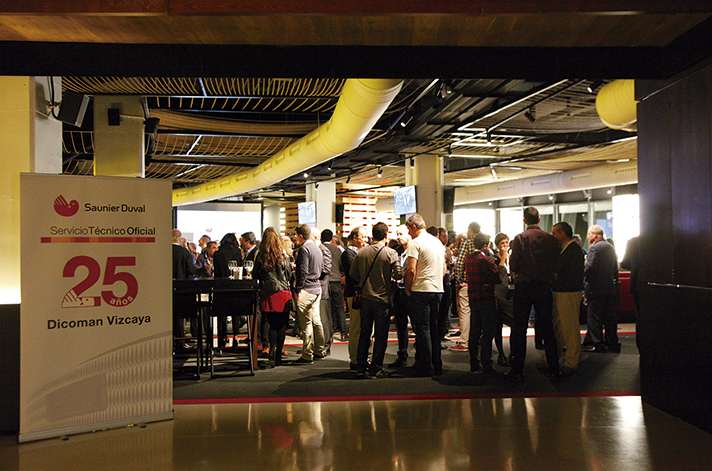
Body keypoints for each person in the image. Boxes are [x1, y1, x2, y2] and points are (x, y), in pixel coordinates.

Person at [508, 206, 560, 381]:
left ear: (524, 221)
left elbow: (513, 265)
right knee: (547, 327)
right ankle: (554, 366)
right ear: (539, 220)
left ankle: (517, 369)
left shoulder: (520, 238)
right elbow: (555, 262)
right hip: (544, 286)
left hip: (524, 286)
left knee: (519, 328)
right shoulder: (550, 239)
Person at [350, 222, 403, 378]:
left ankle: (361, 367)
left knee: (364, 333)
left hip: (365, 298)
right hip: (382, 299)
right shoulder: (390, 253)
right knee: (380, 336)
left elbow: (353, 273)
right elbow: (399, 274)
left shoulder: (361, 253)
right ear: (386, 235)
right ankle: (376, 368)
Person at [404, 214, 445, 377]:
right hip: (437, 289)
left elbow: (411, 269)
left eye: (408, 229)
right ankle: (437, 364)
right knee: (434, 329)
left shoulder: (415, 243)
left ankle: (426, 366)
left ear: (414, 227)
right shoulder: (437, 242)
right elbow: (443, 269)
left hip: (421, 289)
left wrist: (408, 288)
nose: (408, 233)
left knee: (422, 329)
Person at [253, 227, 294, 367]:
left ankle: (271, 350)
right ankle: (278, 356)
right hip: (282, 293)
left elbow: (255, 275)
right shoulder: (283, 255)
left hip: (267, 293)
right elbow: (289, 275)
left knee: (271, 324)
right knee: (281, 326)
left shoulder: (260, 255)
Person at [464, 232, 502, 375]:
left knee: (474, 333)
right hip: (486, 299)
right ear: (485, 246)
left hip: (473, 299)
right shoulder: (485, 260)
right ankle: (487, 363)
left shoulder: (468, 259)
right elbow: (498, 277)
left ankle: (474, 363)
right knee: (487, 333)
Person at [551, 222, 585, 375]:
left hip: (569, 292)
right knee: (558, 327)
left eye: (554, 233)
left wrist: (556, 276)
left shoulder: (574, 250)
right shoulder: (567, 249)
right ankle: (554, 357)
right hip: (562, 291)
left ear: (562, 233)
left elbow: (571, 274)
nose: (553, 236)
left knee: (570, 328)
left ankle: (571, 361)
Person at [582, 225, 620, 353]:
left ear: (595, 234)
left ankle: (598, 344)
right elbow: (615, 268)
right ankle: (613, 342)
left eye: (589, 234)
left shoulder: (594, 248)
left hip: (595, 288)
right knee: (610, 317)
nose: (587, 237)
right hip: (608, 287)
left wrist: (583, 269)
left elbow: (590, 268)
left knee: (594, 317)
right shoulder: (610, 247)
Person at [293, 224, 327, 364]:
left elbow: (303, 271)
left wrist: (298, 289)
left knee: (306, 323)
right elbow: (323, 269)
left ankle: (307, 354)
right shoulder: (317, 248)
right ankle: (320, 350)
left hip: (307, 289)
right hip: (317, 287)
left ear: (300, 236)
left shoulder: (304, 249)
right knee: (317, 321)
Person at [451, 222, 481, 351]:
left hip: (467, 282)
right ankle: (476, 338)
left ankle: (464, 342)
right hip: (480, 283)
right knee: (477, 312)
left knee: (465, 312)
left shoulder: (467, 243)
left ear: (470, 230)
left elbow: (460, 262)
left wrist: (459, 279)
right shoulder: (482, 242)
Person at [341, 226, 368, 369]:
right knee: (356, 327)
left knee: (368, 328)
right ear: (355, 238)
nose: (365, 240)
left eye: (366, 237)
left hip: (365, 293)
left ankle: (365, 357)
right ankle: (355, 359)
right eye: (363, 237)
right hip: (355, 293)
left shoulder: (364, 252)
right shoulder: (348, 253)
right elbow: (354, 273)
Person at [212, 232, 244, 349]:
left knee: (222, 316)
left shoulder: (218, 254)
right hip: (235, 287)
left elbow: (216, 273)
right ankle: (236, 337)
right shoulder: (237, 252)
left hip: (221, 286)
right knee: (235, 314)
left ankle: (222, 338)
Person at [389, 224, 411, 368]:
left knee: (416, 324)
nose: (399, 236)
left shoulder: (414, 250)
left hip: (411, 292)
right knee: (401, 325)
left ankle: (421, 356)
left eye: (401, 233)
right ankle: (402, 354)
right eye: (397, 233)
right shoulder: (397, 251)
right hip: (398, 291)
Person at [172, 229, 196, 351]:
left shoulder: (162, 252)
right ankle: (180, 341)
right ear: (180, 239)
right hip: (181, 288)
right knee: (180, 317)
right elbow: (190, 270)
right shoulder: (184, 253)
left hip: (166, 289)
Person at [322, 229, 347, 343]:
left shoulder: (320, 249)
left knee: (328, 308)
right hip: (336, 280)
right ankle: (344, 332)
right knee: (339, 307)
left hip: (326, 281)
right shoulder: (337, 250)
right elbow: (342, 265)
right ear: (332, 238)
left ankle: (330, 333)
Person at [492, 232, 512, 366]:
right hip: (499, 293)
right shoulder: (494, 259)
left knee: (514, 324)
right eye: (502, 243)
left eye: (506, 242)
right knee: (497, 325)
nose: (505, 246)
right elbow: (498, 274)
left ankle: (513, 353)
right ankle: (501, 353)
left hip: (511, 293)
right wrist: (503, 258)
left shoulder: (513, 257)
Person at [313, 229, 333, 357]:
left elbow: (326, 269)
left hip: (321, 289)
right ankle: (317, 345)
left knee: (323, 319)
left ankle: (326, 345)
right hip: (314, 288)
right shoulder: (315, 249)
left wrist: (312, 274)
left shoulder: (323, 249)